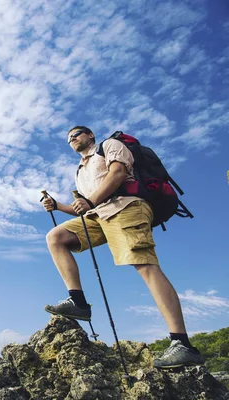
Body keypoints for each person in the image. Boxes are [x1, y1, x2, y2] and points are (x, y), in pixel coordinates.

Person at [41, 126, 204, 369]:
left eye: (75, 134)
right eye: (68, 139)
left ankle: (182, 344)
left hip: (125, 207)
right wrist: (57, 206)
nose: (71, 140)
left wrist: (90, 201)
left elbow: (117, 174)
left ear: (90, 135)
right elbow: (84, 206)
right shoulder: (80, 170)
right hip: (98, 215)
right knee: (56, 237)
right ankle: (78, 303)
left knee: (146, 267)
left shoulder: (109, 146)